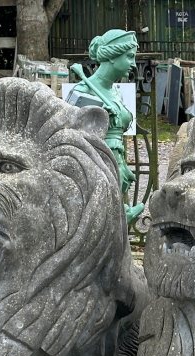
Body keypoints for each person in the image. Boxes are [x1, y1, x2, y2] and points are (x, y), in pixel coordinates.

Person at [67, 29, 144, 224]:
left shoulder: (114, 92)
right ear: (111, 56)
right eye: (129, 57)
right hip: (97, 167)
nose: (134, 64)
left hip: (116, 163)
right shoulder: (85, 91)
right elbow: (70, 138)